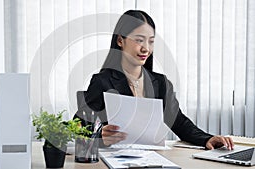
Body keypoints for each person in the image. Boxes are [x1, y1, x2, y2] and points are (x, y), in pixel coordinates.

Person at [75, 10, 233, 150]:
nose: (146, 48)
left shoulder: (161, 83)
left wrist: (207, 138)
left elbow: (178, 122)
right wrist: (99, 134)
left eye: (150, 41)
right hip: (115, 159)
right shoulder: (103, 81)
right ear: (120, 41)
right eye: (139, 40)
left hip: (153, 159)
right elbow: (78, 123)